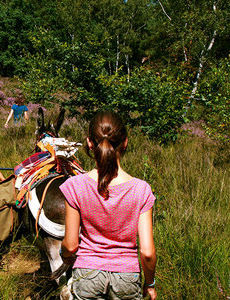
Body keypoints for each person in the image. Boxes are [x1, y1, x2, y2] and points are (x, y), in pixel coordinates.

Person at [59, 111, 157, 300]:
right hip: (127, 277)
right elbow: (147, 251)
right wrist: (149, 284)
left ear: (89, 143)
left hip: (87, 274)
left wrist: (64, 257)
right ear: (125, 142)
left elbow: (70, 245)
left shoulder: (74, 186)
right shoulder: (141, 190)